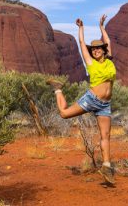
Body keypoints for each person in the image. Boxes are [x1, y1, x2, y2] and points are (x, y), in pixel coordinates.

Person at [46, 14, 116, 185]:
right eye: (94, 49)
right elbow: (81, 45)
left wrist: (102, 26)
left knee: (105, 135)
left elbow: (108, 40)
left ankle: (107, 167)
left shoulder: (109, 61)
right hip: (91, 99)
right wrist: (81, 29)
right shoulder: (91, 63)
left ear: (104, 50)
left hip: (105, 104)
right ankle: (57, 89)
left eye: (99, 48)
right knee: (64, 114)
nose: (96, 50)